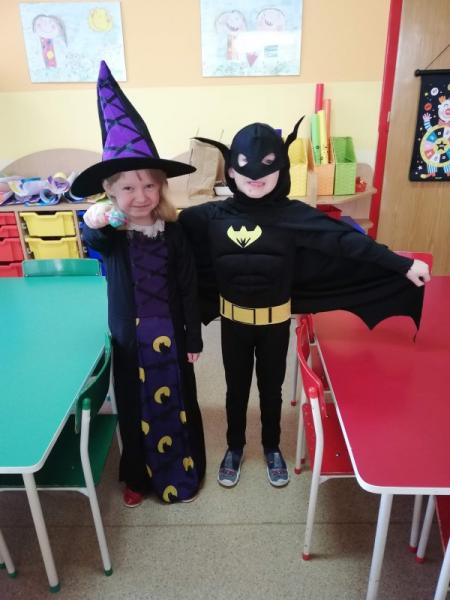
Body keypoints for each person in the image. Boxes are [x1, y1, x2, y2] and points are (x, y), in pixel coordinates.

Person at [178, 121, 430, 489]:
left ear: (281, 168)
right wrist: (107, 225)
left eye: (267, 166)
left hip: (276, 323)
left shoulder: (295, 215)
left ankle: (272, 447)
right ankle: (234, 447)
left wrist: (401, 264)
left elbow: (348, 243)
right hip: (232, 324)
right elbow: (164, 235)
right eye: (245, 166)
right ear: (230, 170)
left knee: (272, 390)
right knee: (235, 389)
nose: (255, 177)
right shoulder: (205, 218)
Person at [71, 61, 205, 506]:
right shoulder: (111, 234)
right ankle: (137, 477)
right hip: (129, 341)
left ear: (161, 188)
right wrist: (93, 220)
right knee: (133, 408)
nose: (140, 196)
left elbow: (188, 287)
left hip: (170, 336)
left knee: (177, 403)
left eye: (149, 186)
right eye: (127, 188)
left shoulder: (174, 232)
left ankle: (181, 471)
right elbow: (93, 239)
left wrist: (193, 337)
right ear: (110, 191)